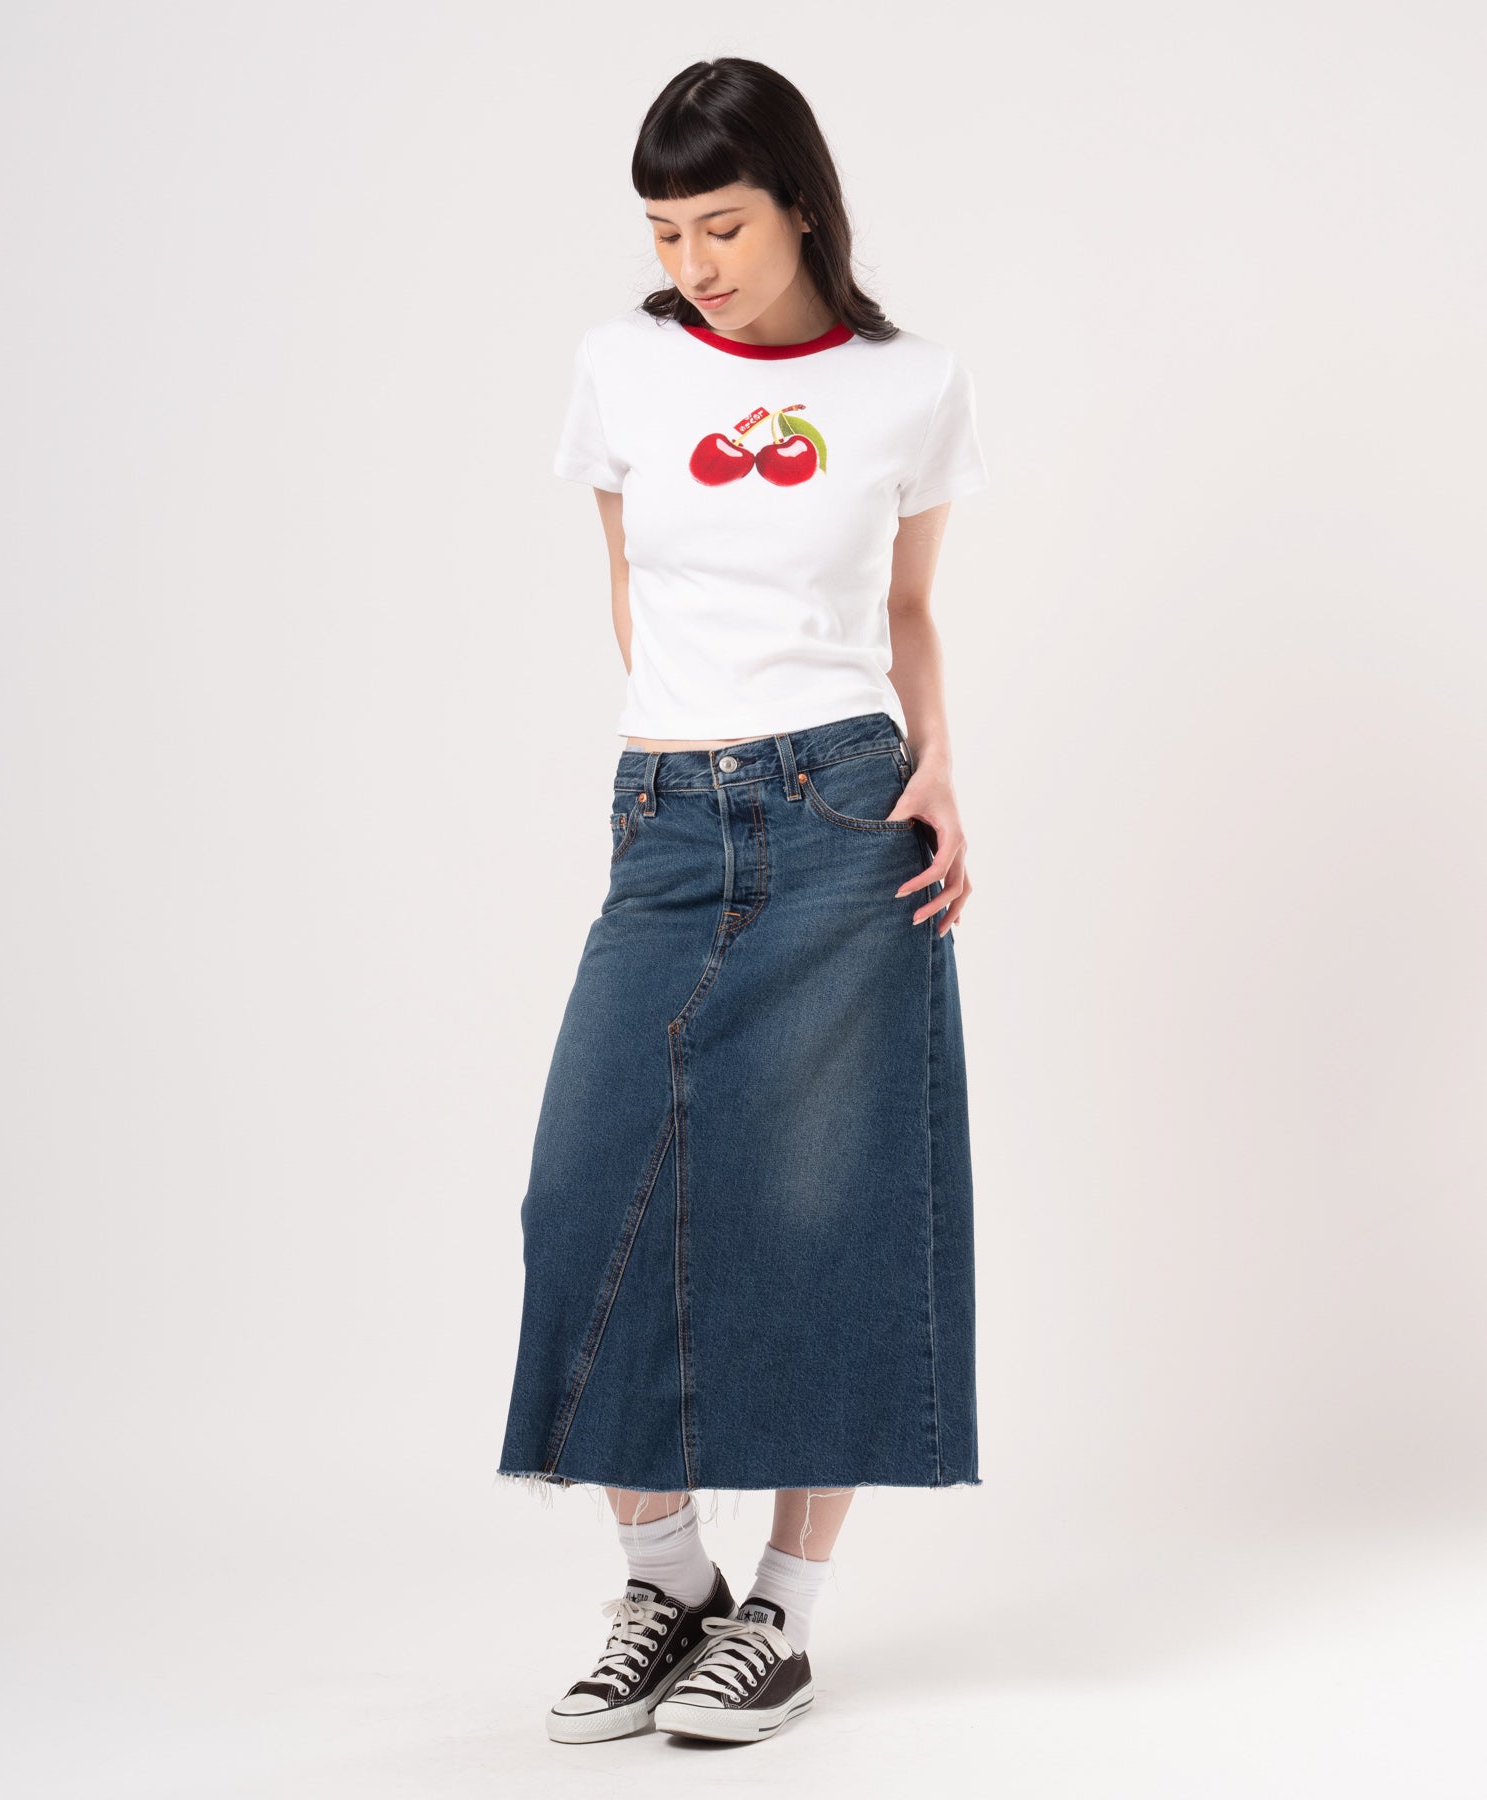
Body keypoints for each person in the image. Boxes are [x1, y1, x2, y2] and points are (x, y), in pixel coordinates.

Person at [496, 56, 990, 1746]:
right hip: (667, 817)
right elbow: (631, 588)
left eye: (722, 224)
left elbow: (906, 609)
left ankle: (781, 1616)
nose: (693, 261)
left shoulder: (910, 384)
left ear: (799, 208)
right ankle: (669, 1583)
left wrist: (939, 768)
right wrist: (684, 764)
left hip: (849, 810)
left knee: (823, 1217)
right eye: (664, 231)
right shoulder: (621, 366)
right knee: (583, 1199)